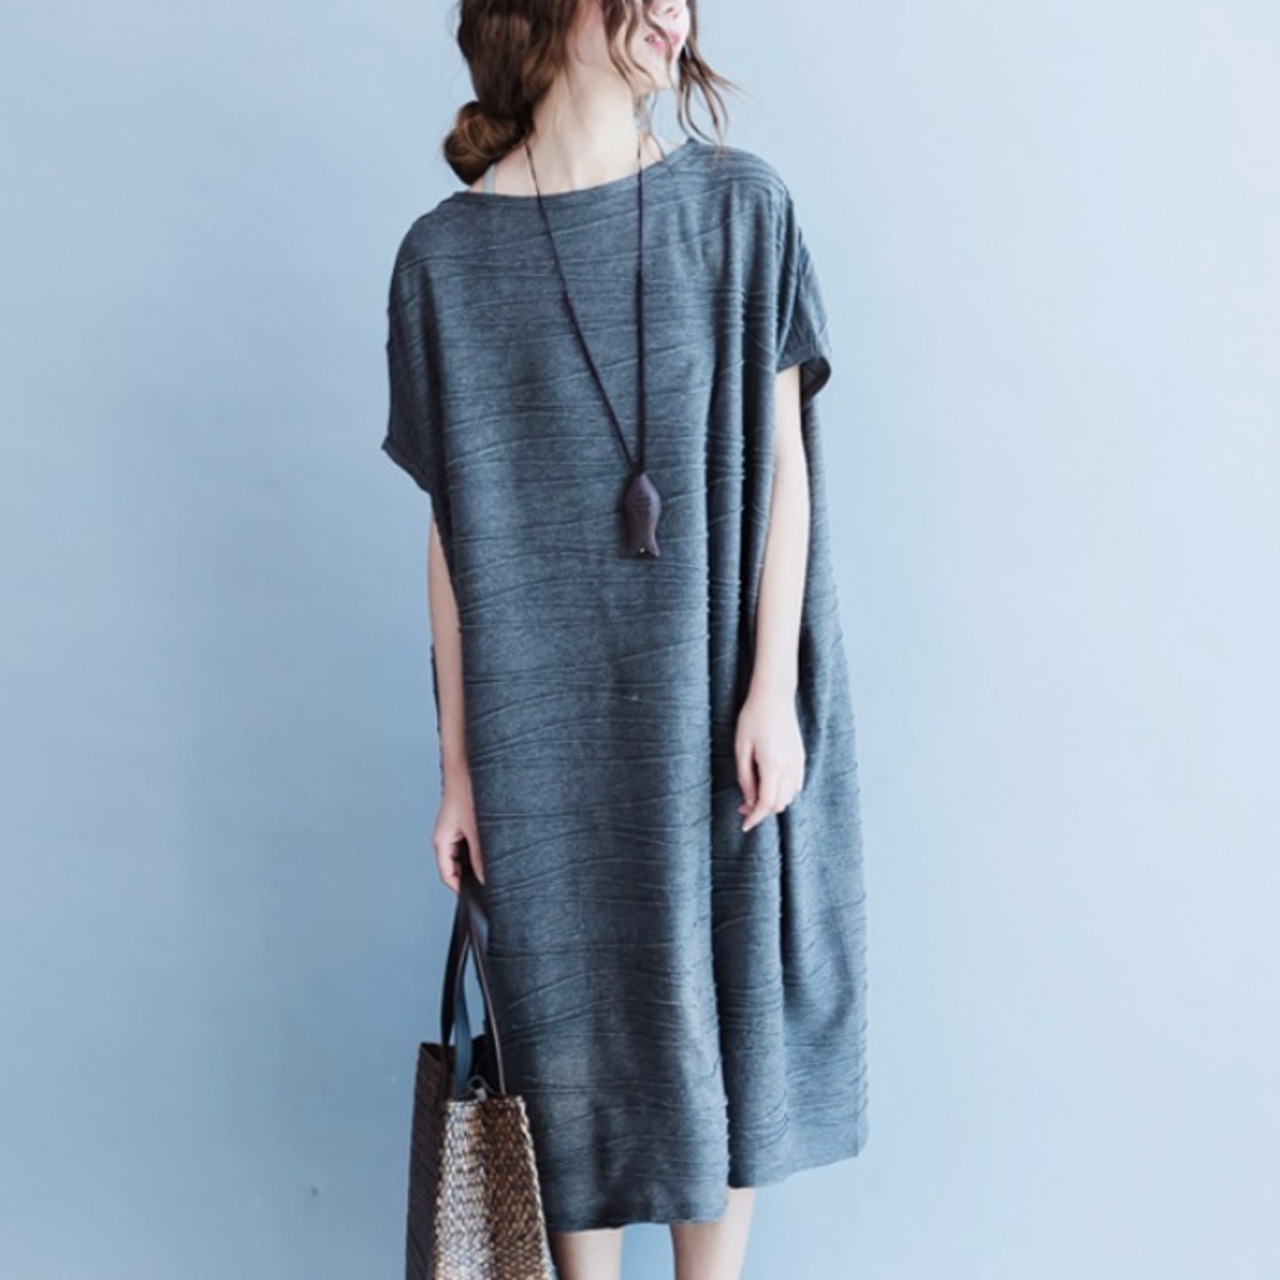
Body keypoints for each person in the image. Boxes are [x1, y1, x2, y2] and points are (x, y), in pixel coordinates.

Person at [382, 1, 869, 1277]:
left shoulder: (739, 209)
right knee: (566, 1039)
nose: (673, 13)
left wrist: (770, 691)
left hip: (708, 703)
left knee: (718, 1017)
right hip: (541, 726)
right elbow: (448, 533)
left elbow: (785, 469)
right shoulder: (444, 261)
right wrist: (458, 765)